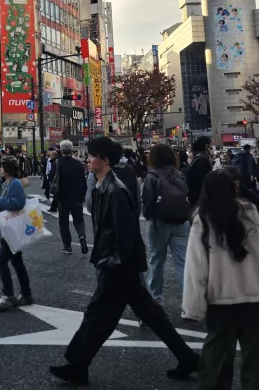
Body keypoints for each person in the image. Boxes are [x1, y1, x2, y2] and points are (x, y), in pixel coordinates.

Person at [50, 136, 200, 386]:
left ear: (105, 160)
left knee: (97, 315)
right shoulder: (102, 186)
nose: (87, 160)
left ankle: (77, 365)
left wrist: (112, 264)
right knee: (145, 315)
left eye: (91, 155)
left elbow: (126, 233)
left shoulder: (116, 190)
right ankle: (186, 357)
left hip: (118, 265)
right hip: (118, 264)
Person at [183, 171, 259, 388]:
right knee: (255, 358)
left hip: (221, 301)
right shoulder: (251, 213)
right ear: (234, 188)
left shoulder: (203, 218)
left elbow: (196, 268)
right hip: (257, 298)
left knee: (217, 357)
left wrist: (193, 308)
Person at [141, 144, 190, 307]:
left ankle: (156, 299)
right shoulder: (179, 174)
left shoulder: (152, 176)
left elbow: (147, 200)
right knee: (182, 262)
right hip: (181, 221)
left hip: (158, 222)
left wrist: (148, 216)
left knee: (156, 260)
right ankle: (189, 303)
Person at [0, 158, 33, 312]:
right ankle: (26, 294)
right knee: (17, 262)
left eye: (1, 167)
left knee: (0, 262)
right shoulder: (6, 183)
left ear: (7, 168)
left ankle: (9, 296)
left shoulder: (14, 183)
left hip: (12, 230)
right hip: (9, 227)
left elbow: (17, 203)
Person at [53, 140, 88, 255]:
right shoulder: (78, 164)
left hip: (62, 196)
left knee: (63, 222)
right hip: (77, 196)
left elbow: (50, 177)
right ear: (71, 150)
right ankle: (82, 236)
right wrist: (83, 194)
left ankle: (67, 246)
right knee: (79, 219)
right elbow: (83, 180)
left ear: (61, 150)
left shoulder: (58, 163)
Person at [184, 135, 213, 210]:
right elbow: (204, 181)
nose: (212, 148)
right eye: (211, 145)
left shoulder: (197, 159)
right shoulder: (202, 160)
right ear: (207, 146)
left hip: (194, 197)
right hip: (200, 199)